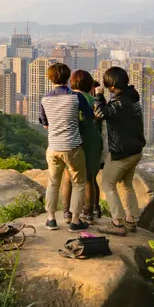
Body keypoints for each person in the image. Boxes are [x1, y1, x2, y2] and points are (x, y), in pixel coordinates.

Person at [92, 66, 147, 236]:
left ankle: (117, 223)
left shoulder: (119, 102)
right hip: (136, 150)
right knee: (126, 184)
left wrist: (99, 95)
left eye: (107, 85)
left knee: (107, 184)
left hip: (122, 152)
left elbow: (100, 113)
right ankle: (131, 220)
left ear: (112, 86)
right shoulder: (132, 97)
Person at [39, 62, 92, 232]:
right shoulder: (76, 97)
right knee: (79, 183)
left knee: (53, 182)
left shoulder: (45, 99)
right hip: (72, 147)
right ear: (68, 78)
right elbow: (90, 115)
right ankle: (75, 221)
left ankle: (51, 218)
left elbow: (45, 124)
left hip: (53, 147)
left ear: (50, 78)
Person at [69, 70, 104, 223]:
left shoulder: (69, 99)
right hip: (93, 141)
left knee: (72, 178)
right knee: (90, 178)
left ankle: (68, 211)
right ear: (90, 84)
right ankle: (90, 212)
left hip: (74, 140)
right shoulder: (94, 100)